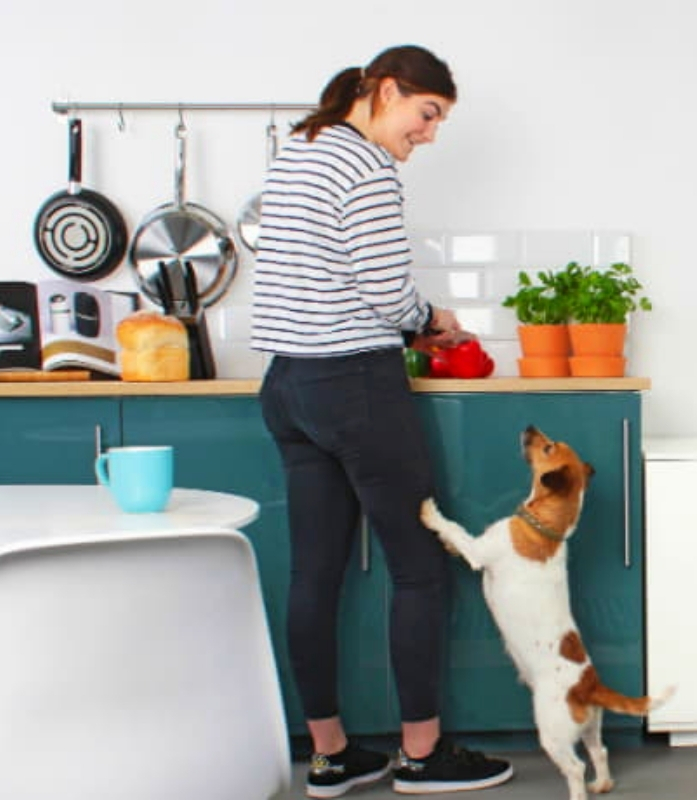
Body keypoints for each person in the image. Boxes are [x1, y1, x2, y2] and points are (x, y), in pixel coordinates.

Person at [252, 45, 513, 799]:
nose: (427, 134)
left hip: (288, 385)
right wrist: (431, 320)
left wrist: (404, 320)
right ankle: (422, 756)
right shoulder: (366, 165)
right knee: (420, 565)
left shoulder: (299, 150)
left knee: (314, 574)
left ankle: (331, 755)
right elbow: (383, 287)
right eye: (427, 115)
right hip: (354, 385)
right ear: (389, 90)